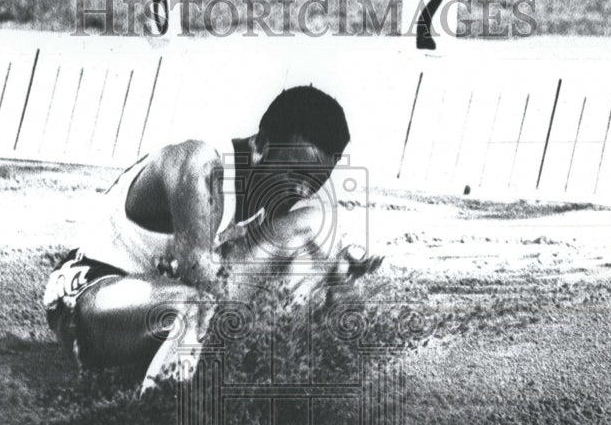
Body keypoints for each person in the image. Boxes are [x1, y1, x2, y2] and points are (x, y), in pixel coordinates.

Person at [42, 85, 382, 392]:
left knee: (317, 227)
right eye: (295, 175)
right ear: (262, 144)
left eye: (316, 180)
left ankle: (255, 376)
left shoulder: (282, 192)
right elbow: (201, 276)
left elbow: (304, 259)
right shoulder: (201, 166)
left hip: (171, 302)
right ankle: (154, 419)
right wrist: (264, 323)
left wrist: (339, 276)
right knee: (196, 306)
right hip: (94, 299)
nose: (303, 190)